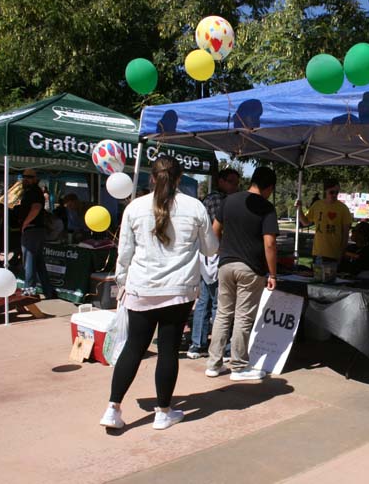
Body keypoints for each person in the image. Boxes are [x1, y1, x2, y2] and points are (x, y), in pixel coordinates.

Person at [100, 155, 218, 430]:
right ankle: (163, 411)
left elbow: (124, 253)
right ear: (178, 178)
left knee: (134, 347)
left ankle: (113, 407)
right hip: (178, 290)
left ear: (152, 178)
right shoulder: (195, 207)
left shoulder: (134, 207)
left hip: (142, 288)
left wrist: (121, 283)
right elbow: (210, 249)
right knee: (167, 350)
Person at [205, 166, 279, 381]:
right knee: (243, 317)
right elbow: (270, 243)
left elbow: (215, 229)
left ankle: (213, 364)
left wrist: (221, 251)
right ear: (269, 187)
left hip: (225, 264)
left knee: (222, 314)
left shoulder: (229, 200)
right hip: (250, 269)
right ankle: (238, 366)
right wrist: (272, 274)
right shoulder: (266, 207)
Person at [185, 168, 240, 359]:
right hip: (216, 255)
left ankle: (197, 344)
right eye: (232, 182)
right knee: (219, 303)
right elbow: (219, 229)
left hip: (204, 255)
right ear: (222, 181)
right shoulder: (219, 200)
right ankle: (220, 347)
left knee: (204, 302)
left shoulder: (207, 199)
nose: (235, 186)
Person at [296, 178, 353, 262]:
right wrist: (299, 209)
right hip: (318, 252)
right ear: (325, 191)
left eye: (337, 192)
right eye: (332, 192)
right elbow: (305, 222)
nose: (334, 195)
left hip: (334, 253)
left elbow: (345, 233)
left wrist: (342, 252)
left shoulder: (343, 208)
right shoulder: (317, 205)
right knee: (318, 275)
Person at [19, 170, 55, 297]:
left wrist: (25, 223)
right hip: (36, 230)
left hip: (32, 229)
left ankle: (29, 288)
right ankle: (48, 290)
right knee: (38, 261)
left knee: (29, 259)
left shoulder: (34, 191)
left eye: (28, 177)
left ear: (35, 179)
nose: (25, 179)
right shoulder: (31, 191)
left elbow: (36, 208)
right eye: (24, 177)